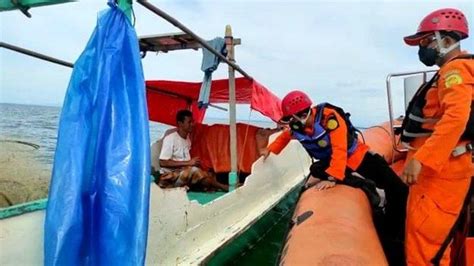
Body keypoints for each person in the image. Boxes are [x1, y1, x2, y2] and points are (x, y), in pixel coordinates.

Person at [262, 90, 408, 265]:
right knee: (316, 169)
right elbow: (284, 138)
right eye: (289, 120)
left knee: (397, 189)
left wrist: (332, 178)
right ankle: (389, 231)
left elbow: (340, 148)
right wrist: (270, 150)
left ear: (303, 113)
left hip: (356, 158)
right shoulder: (297, 128)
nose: (292, 124)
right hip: (330, 162)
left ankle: (395, 232)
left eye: (293, 119)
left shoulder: (329, 118)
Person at [400, 8, 473, 265]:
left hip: (440, 174)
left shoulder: (456, 72)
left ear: (447, 40)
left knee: (426, 246)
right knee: (433, 242)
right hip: (438, 171)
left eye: (426, 41)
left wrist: (421, 160)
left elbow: (455, 119)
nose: (422, 48)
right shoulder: (448, 73)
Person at [155, 109, 228, 191]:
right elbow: (162, 162)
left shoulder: (188, 140)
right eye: (189, 122)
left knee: (208, 173)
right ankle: (223, 187)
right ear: (180, 123)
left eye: (192, 122)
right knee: (194, 171)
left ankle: (213, 187)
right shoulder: (171, 138)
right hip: (170, 178)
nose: (192, 124)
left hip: (183, 174)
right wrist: (188, 163)